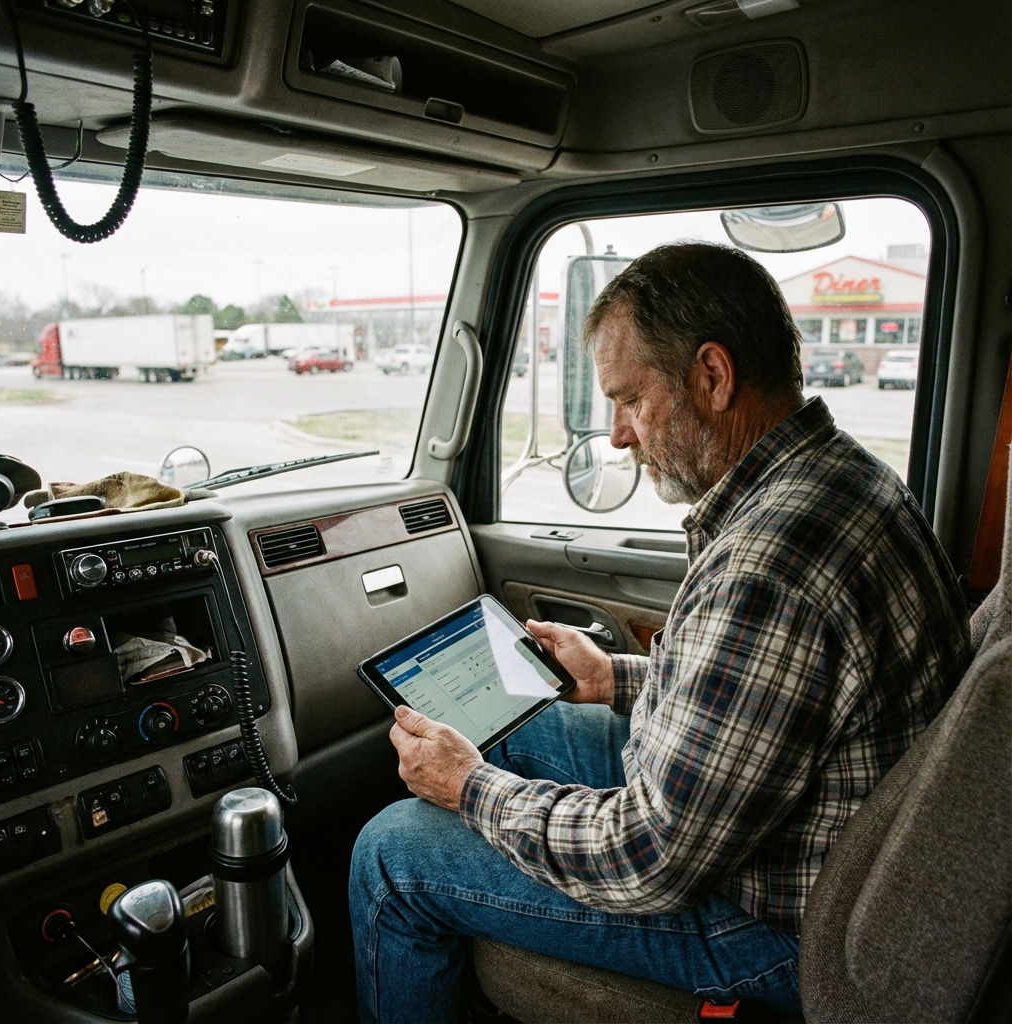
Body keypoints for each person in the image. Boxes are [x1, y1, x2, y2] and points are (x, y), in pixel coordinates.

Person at [349, 242, 970, 1023]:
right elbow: (774, 702)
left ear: (712, 376)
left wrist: (471, 789)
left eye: (630, 400)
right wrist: (615, 678)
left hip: (781, 922)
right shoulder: (841, 476)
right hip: (807, 834)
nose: (617, 436)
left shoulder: (767, 566)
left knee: (394, 852)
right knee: (508, 729)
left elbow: (653, 857)